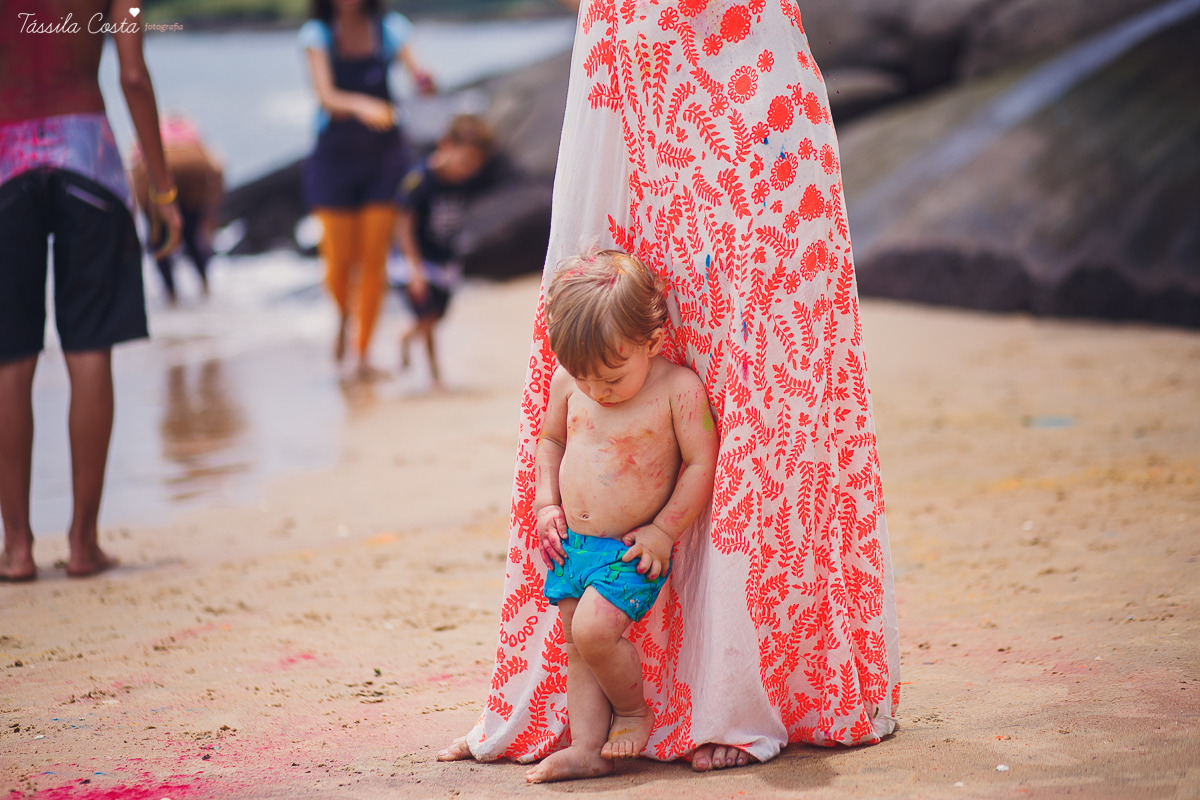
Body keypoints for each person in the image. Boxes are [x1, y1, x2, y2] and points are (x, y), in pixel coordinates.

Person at [439, 0, 900, 776]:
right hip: (635, 71)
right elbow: (556, 432)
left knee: (763, 378)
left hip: (751, 78)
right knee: (611, 308)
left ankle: (740, 693)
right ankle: (587, 717)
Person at [0, 0, 182, 581]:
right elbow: (132, 76)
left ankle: (18, 548)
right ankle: (83, 543)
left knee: (9, 358)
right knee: (88, 348)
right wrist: (163, 188)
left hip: (6, 160)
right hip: (90, 159)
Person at [528, 250, 719, 782]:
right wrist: (546, 503)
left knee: (593, 632)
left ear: (652, 343)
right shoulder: (571, 383)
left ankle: (634, 713)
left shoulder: (677, 390)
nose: (596, 391)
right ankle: (588, 746)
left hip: (630, 550)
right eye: (585, 378)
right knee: (578, 645)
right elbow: (550, 440)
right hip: (573, 547)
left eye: (610, 377)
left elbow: (701, 462)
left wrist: (664, 529)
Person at [300, 0, 434, 380]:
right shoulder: (317, 35)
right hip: (334, 159)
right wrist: (363, 106)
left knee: (373, 259)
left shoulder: (390, 28)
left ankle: (362, 354)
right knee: (338, 262)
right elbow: (326, 96)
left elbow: (419, 74)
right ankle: (343, 316)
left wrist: (426, 80)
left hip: (385, 159)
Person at [392, 114, 496, 389]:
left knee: (436, 317)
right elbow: (404, 226)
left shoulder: (462, 180)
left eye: (475, 165)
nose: (469, 170)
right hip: (416, 261)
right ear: (445, 144)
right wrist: (414, 271)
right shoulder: (420, 180)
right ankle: (434, 375)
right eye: (465, 162)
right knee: (426, 315)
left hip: (444, 260)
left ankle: (412, 345)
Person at [130, 115, 224, 304]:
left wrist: (142, 215)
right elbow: (218, 166)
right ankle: (205, 287)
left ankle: (171, 295)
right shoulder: (189, 129)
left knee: (158, 240)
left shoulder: (149, 129)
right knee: (191, 235)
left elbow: (132, 169)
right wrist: (211, 212)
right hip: (195, 168)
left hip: (155, 172)